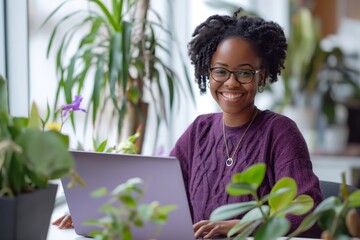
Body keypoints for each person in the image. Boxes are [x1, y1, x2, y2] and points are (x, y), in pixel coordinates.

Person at [53, 8, 323, 239]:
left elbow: (307, 210)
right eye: (220, 71)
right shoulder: (199, 130)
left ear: (261, 76)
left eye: (243, 72)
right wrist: (97, 214)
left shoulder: (280, 132)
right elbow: (157, 199)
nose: (231, 82)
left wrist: (242, 227)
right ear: (208, 73)